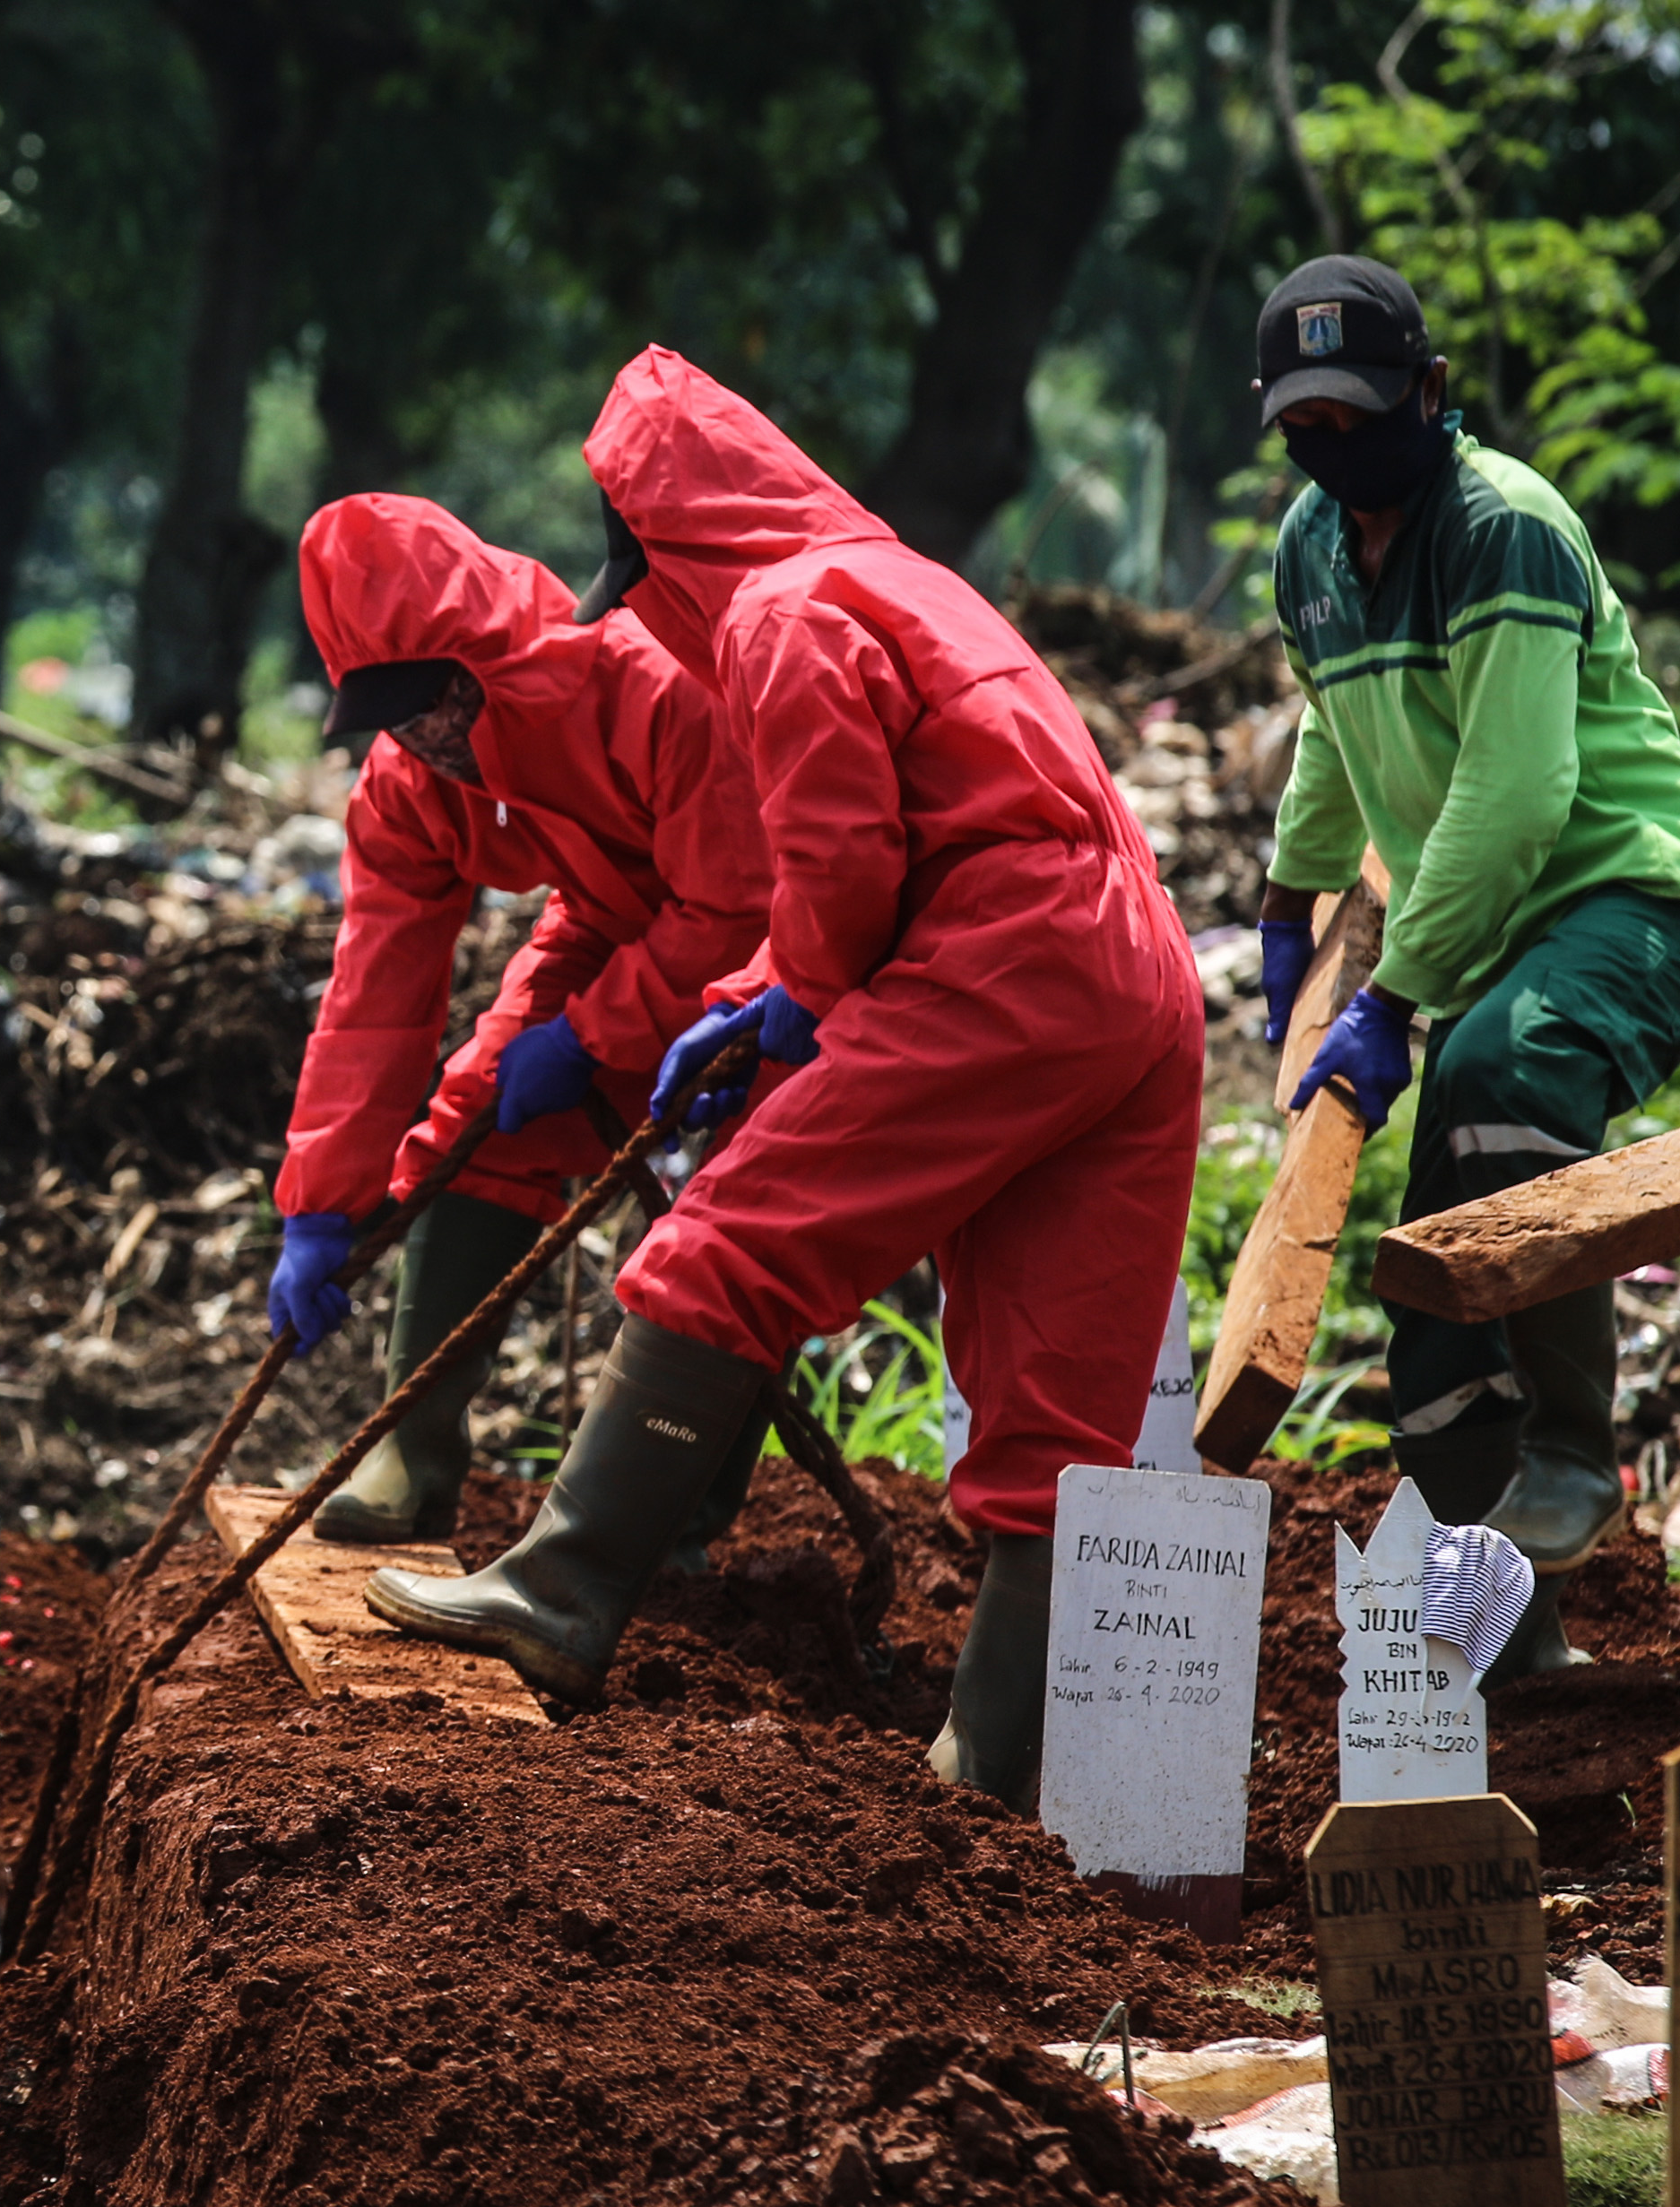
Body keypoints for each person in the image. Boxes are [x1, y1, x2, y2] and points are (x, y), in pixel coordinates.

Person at [361, 347, 1205, 1819]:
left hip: (999, 956)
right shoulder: (898, 580)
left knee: (722, 1249)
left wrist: (794, 994)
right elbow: (916, 819)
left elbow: (841, 857)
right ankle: (990, 1766)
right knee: (1060, 1404)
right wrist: (753, 994)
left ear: (664, 543)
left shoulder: (782, 608)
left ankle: (561, 1592)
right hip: (1133, 976)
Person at [1246, 255, 1680, 1683]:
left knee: (1498, 1079)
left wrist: (1388, 998)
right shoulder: (1310, 549)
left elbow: (1515, 796)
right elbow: (1336, 735)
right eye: (1306, 428)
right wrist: (1285, 903)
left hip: (1628, 891)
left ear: (1429, 394)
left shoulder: (1505, 528)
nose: (1338, 452)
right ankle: (1493, 1625)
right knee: (1432, 1249)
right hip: (1497, 935)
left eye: (1362, 417)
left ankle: (1570, 1450)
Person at [274, 493, 773, 1547]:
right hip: (609, 924)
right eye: (392, 711)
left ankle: (669, 1509)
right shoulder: (409, 782)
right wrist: (321, 1202)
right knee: (476, 1115)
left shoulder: (652, 687)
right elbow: (374, 991)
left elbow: (737, 906)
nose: (424, 735)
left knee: (744, 1206)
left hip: (783, 953)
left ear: (486, 655)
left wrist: (593, 1039)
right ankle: (409, 1450)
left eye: (437, 700)